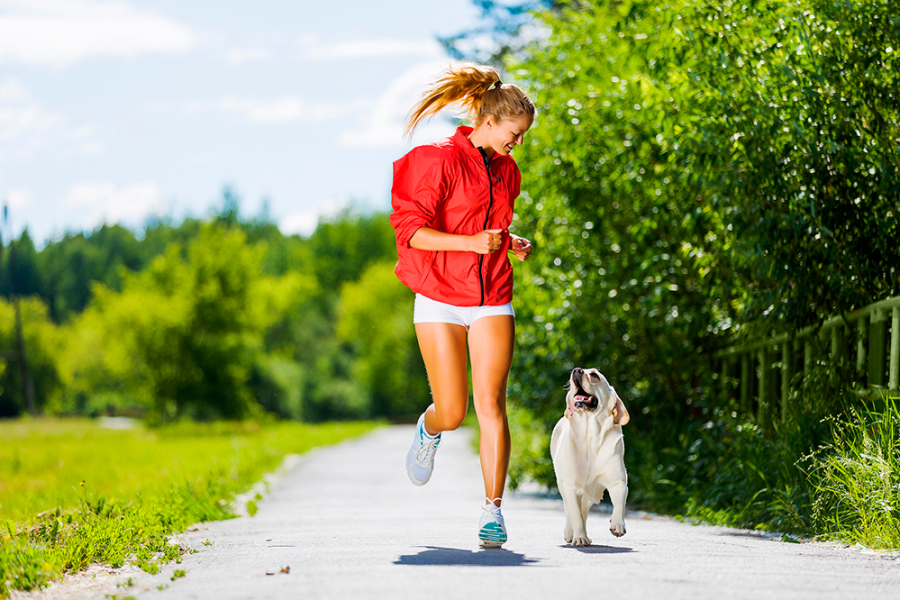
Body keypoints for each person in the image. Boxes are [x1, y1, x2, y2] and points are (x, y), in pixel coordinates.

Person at [389, 64, 536, 548]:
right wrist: (473, 243)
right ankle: (429, 429)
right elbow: (412, 231)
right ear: (491, 122)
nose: (518, 143)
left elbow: (484, 227)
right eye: (515, 134)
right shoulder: (434, 160)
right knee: (453, 411)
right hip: (438, 297)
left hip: (492, 295)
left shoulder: (507, 171)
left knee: (491, 403)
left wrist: (507, 242)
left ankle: (492, 511)